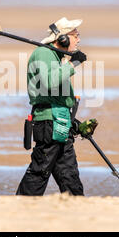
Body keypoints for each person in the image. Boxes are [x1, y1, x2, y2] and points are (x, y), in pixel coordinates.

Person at [16, 17, 87, 196]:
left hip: (60, 121)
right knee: (40, 171)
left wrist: (74, 122)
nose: (79, 39)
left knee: (69, 175)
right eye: (76, 35)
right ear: (62, 38)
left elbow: (58, 97)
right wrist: (74, 63)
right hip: (48, 123)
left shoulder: (57, 58)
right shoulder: (43, 53)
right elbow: (49, 82)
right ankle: (22, 205)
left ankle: (77, 208)